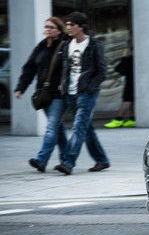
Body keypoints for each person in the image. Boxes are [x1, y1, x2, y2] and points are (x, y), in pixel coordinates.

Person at [54, 12, 110, 175]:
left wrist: (90, 87)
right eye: (68, 24)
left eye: (72, 25)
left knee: (79, 127)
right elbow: (66, 68)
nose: (68, 28)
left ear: (81, 27)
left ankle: (68, 162)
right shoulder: (67, 45)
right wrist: (62, 85)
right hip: (70, 93)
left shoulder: (94, 45)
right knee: (86, 128)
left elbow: (102, 71)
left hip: (86, 93)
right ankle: (101, 160)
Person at [14, 17, 67, 173]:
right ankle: (67, 158)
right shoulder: (41, 47)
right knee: (57, 128)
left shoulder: (64, 47)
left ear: (59, 30)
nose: (48, 29)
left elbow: (69, 68)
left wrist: (64, 84)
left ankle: (41, 160)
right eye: (46, 27)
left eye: (51, 27)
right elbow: (29, 69)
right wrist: (21, 88)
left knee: (51, 127)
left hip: (59, 94)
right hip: (44, 94)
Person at [105, 40, 135, 127]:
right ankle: (133, 119)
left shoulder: (129, 59)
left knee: (127, 100)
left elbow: (119, 69)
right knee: (132, 100)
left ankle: (119, 119)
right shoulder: (133, 59)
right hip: (133, 81)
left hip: (130, 81)